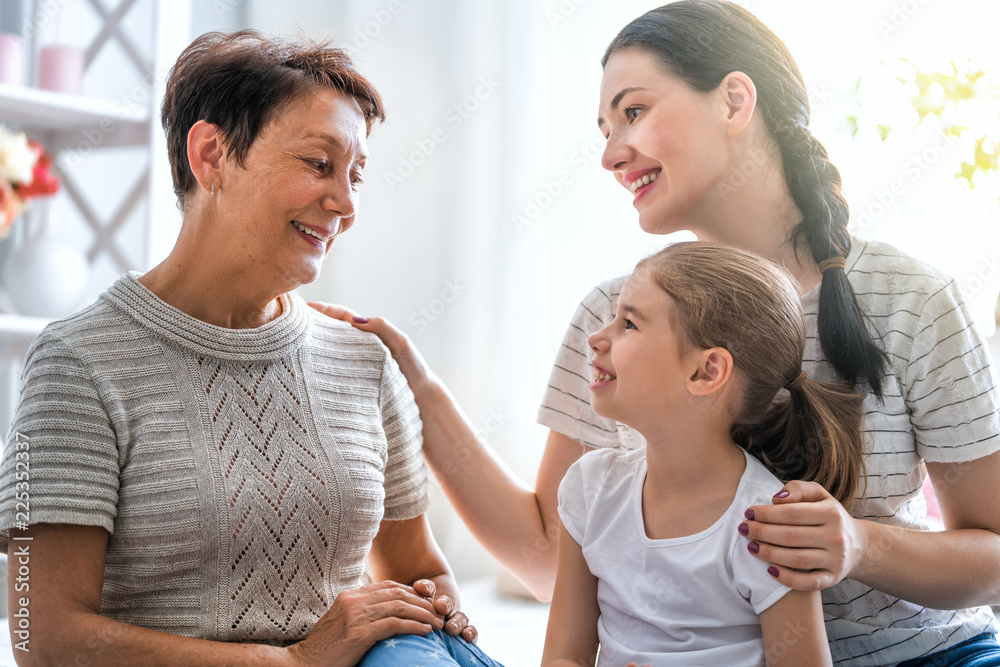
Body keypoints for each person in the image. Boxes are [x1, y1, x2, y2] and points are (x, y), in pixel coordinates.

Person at [317, 1, 1000, 664]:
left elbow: (992, 553)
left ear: (734, 101)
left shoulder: (910, 298)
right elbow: (556, 560)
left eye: (633, 112)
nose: (612, 154)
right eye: (604, 129)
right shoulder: (613, 319)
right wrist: (417, 391)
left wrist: (857, 544)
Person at [0, 30, 503, 667]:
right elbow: (43, 638)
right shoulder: (77, 364)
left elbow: (418, 567)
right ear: (211, 155)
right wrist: (292, 661)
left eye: (356, 177)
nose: (345, 204)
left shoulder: (363, 363)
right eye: (319, 165)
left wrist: (430, 616)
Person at [541, 241, 854, 666]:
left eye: (629, 324)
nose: (596, 338)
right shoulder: (590, 487)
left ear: (705, 372)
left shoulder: (768, 525)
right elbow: (563, 657)